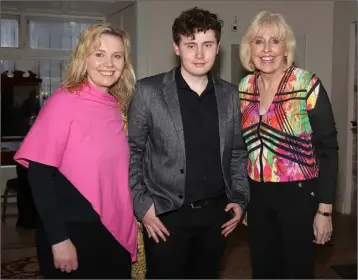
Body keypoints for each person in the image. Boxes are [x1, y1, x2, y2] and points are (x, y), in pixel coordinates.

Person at [128, 7, 249, 279]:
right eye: (190, 44)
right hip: (165, 216)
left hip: (216, 216)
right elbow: (132, 152)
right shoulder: (148, 92)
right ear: (177, 47)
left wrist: (240, 199)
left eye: (207, 45)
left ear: (218, 48)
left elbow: (239, 153)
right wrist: (142, 205)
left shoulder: (230, 95)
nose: (199, 54)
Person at [13, 23, 137, 279]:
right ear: (84, 58)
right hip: (72, 231)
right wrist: (59, 240)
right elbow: (39, 175)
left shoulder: (118, 107)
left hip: (111, 231)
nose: (109, 63)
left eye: (117, 56)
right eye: (99, 54)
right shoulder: (64, 101)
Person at [238, 11, 339, 279]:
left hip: (299, 197)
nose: (267, 49)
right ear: (250, 48)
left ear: (286, 48)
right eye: (259, 41)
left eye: (275, 41)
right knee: (262, 270)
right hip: (257, 197)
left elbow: (328, 148)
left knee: (296, 271)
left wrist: (325, 210)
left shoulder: (307, 84)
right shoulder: (245, 87)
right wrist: (245, 199)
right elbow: (243, 150)